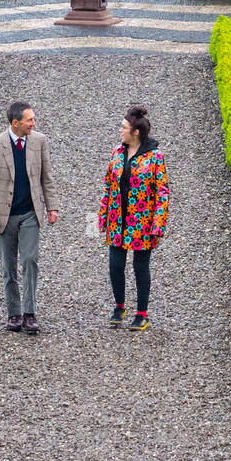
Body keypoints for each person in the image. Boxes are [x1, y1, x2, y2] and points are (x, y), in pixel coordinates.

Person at [0, 100, 58, 335]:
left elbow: (47, 177)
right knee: (8, 267)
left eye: (33, 119)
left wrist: (52, 207)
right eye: (29, 120)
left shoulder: (40, 142)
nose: (33, 123)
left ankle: (30, 314)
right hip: (4, 217)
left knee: (30, 260)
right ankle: (14, 313)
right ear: (15, 123)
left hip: (30, 214)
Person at [98, 106, 169, 332]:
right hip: (117, 220)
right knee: (115, 265)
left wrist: (158, 223)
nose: (120, 131)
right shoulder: (117, 152)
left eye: (124, 128)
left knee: (141, 267)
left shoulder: (155, 156)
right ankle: (119, 307)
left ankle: (142, 314)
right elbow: (108, 185)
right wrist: (102, 215)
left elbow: (162, 192)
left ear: (136, 132)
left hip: (142, 223)